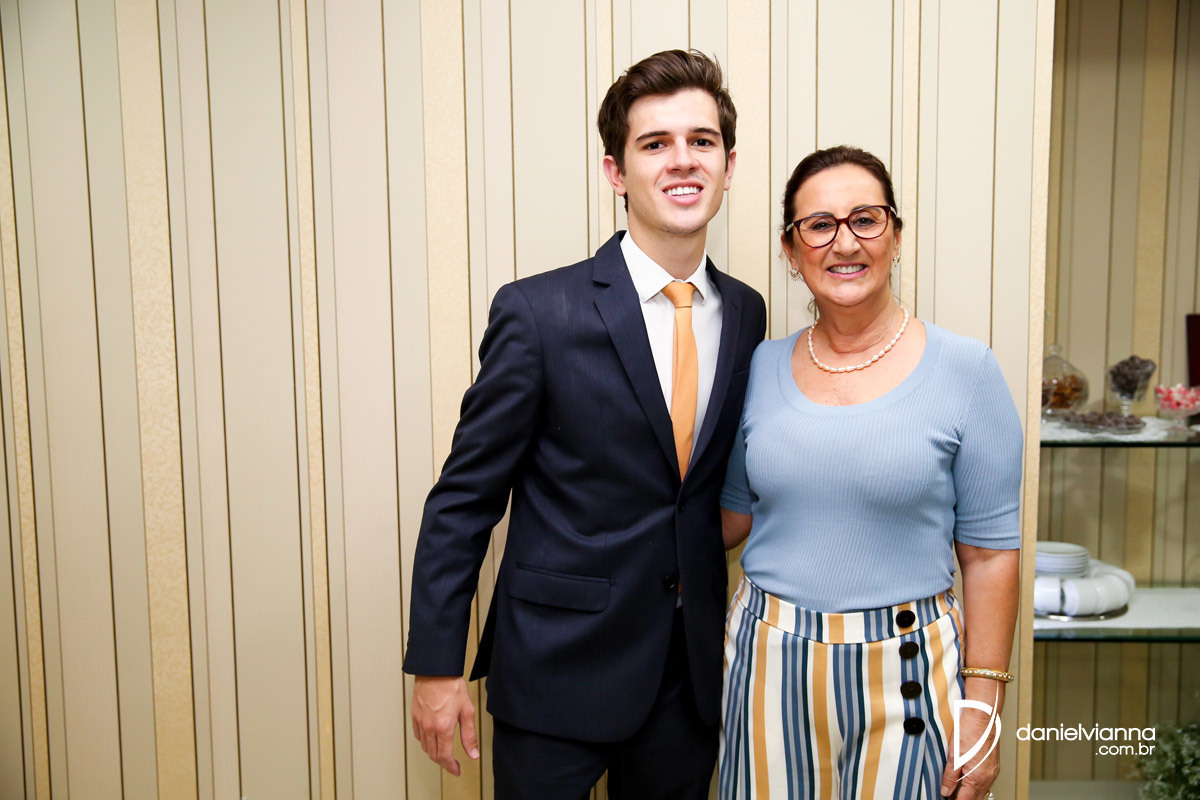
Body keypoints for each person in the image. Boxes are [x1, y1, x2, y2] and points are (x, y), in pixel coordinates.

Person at [403, 49, 767, 799]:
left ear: (728, 166)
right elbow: (464, 500)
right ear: (615, 171)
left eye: (701, 141)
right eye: (655, 143)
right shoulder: (538, 313)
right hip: (555, 670)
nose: (683, 160)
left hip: (687, 679)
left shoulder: (746, 312)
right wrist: (437, 667)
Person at [718, 145, 1022, 800]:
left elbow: (990, 557)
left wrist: (983, 708)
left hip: (912, 670)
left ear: (896, 235)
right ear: (791, 250)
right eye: (819, 225)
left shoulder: (968, 370)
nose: (845, 242)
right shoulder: (759, 368)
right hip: (766, 663)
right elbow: (731, 517)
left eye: (865, 219)